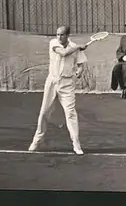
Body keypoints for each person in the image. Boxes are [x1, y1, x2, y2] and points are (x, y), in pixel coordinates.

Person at [28, 25, 88, 154]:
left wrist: (79, 71)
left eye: (62, 35)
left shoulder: (75, 47)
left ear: (67, 36)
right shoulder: (53, 43)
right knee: (44, 113)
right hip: (52, 82)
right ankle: (36, 140)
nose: (59, 37)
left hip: (67, 84)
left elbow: (81, 65)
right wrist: (78, 47)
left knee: (70, 113)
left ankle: (76, 144)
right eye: (57, 34)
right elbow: (63, 53)